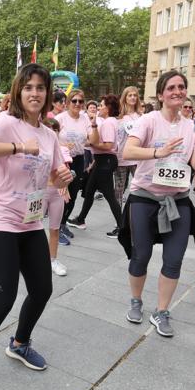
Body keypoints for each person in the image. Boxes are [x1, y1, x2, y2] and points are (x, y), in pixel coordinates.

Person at [0, 63, 73, 390]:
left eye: (40, 87)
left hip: (30, 221)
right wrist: (16, 148)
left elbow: (51, 175)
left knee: (42, 289)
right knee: (3, 297)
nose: (35, 93)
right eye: (29, 87)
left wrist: (61, 179)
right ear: (19, 92)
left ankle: (20, 343)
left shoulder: (50, 135)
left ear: (47, 93)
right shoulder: (8, 123)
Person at [119, 71, 195, 334]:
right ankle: (136, 300)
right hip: (144, 199)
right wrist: (159, 151)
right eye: (171, 87)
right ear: (161, 95)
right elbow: (128, 151)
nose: (177, 91)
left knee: (174, 260)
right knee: (141, 256)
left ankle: (161, 312)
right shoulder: (148, 120)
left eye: (181, 87)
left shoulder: (191, 126)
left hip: (178, 201)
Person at [69, 94, 123, 236]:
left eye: (102, 105)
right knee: (89, 191)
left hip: (106, 160)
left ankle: (122, 226)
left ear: (109, 108)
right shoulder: (110, 121)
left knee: (109, 196)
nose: (99, 108)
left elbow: (108, 145)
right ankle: (81, 219)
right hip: (101, 161)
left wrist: (90, 143)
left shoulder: (109, 123)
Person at [55, 88, 91, 239]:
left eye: (80, 101)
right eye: (74, 101)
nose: (77, 104)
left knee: (73, 195)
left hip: (78, 159)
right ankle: (56, 227)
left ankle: (63, 224)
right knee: (63, 194)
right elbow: (51, 138)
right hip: (63, 160)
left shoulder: (85, 118)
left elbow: (91, 139)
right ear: (68, 102)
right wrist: (63, 148)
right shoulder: (60, 118)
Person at [43, 117, 72, 275]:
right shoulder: (36, 147)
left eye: (55, 129)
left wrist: (65, 186)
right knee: (32, 228)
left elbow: (65, 169)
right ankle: (26, 260)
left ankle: (52, 259)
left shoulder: (63, 149)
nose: (52, 132)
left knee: (54, 228)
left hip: (56, 193)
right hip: (39, 193)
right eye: (49, 128)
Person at [114, 85, 142, 206]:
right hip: (121, 158)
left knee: (140, 187)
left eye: (135, 95)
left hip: (137, 158)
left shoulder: (141, 117)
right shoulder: (118, 116)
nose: (132, 97)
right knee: (119, 189)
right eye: (130, 95)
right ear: (125, 98)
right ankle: (119, 219)